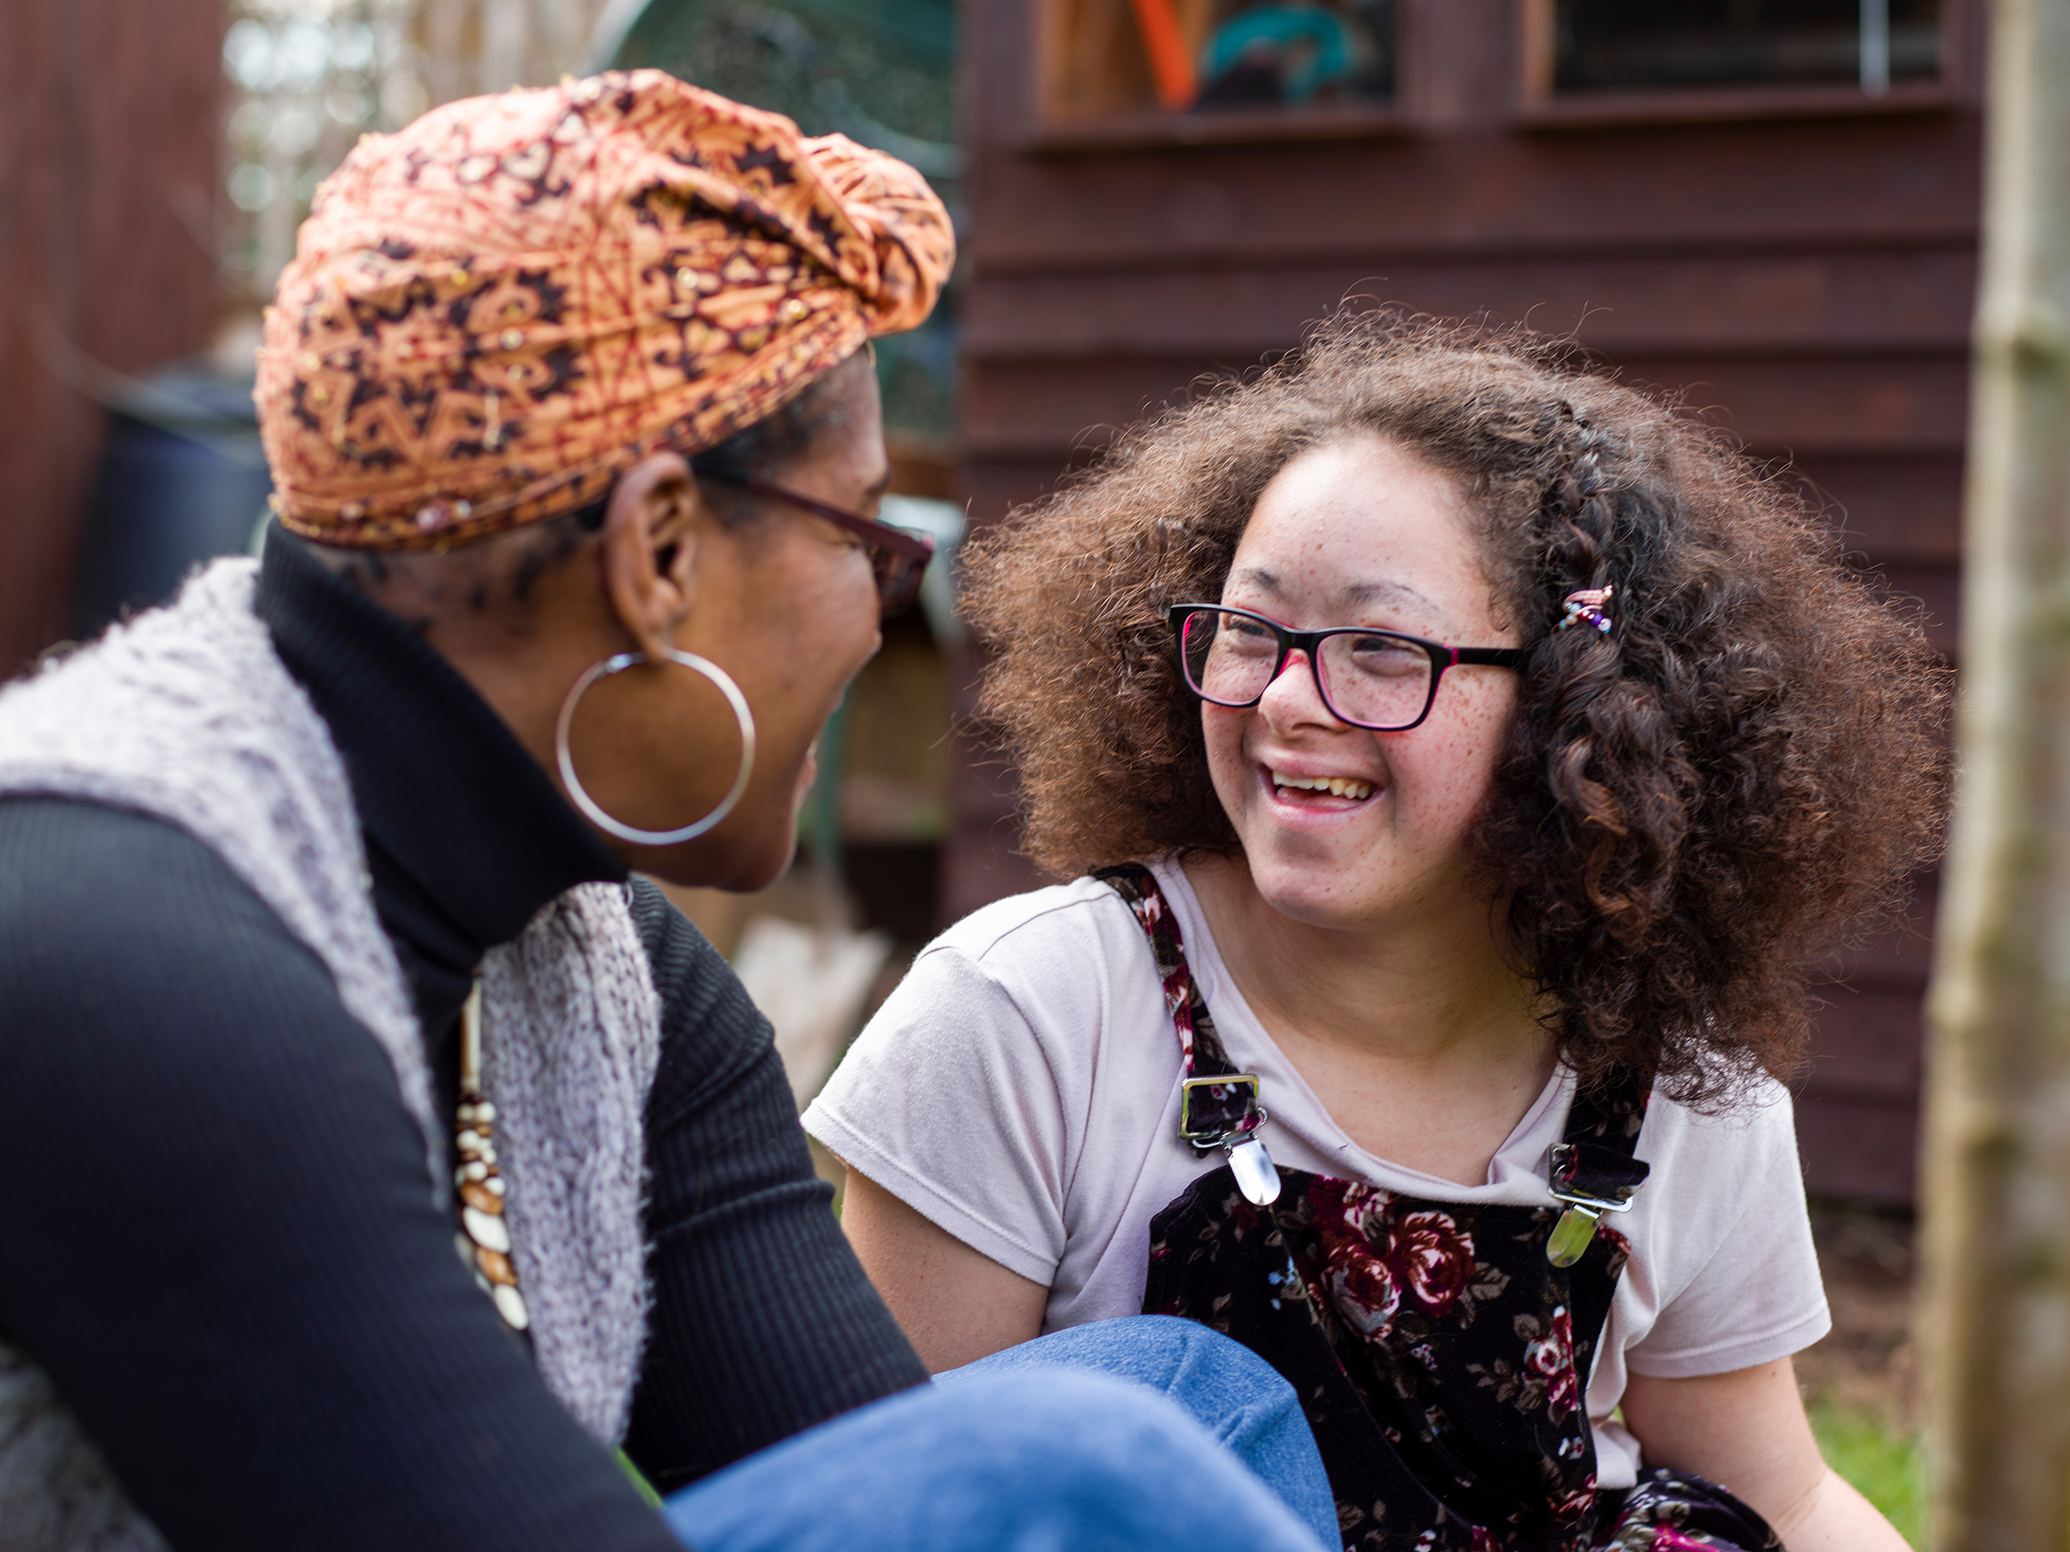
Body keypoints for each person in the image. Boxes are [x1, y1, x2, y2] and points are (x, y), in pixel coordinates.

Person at [0, 73, 1337, 1552]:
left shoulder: (603, 981)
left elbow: (873, 1469)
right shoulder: (117, 948)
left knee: (1181, 1400)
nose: (877, 624)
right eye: (867, 542)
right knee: (1088, 1473)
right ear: (658, 551)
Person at [807, 312, 1947, 1551]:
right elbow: (898, 1509)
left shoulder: (1665, 1081)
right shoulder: (1030, 1013)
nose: (1289, 699)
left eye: (1382, 648)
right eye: (1253, 629)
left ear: (1580, 713)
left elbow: (1780, 1494)